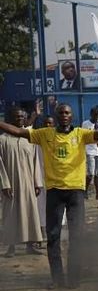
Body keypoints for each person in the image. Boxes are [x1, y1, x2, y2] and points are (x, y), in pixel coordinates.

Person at [0, 103, 98, 288]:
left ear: (71, 116)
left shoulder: (81, 134)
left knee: (77, 236)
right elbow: (18, 132)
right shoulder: (44, 134)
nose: (64, 115)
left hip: (76, 192)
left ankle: (74, 278)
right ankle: (57, 279)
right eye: (61, 113)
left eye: (67, 112)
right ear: (56, 116)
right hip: (55, 192)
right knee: (53, 237)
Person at [1, 106, 45, 257]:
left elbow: (35, 162)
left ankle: (30, 245)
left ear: (25, 119)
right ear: (11, 119)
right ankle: (11, 247)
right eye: (16, 117)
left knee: (30, 213)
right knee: (10, 214)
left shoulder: (30, 139)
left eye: (21, 117)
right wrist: (4, 184)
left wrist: (37, 182)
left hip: (28, 182)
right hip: (11, 183)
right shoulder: (3, 139)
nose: (19, 119)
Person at [81, 107, 98, 199]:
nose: (97, 116)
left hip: (97, 150)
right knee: (91, 173)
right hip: (89, 150)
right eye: (95, 114)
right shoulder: (85, 124)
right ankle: (85, 190)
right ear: (91, 114)